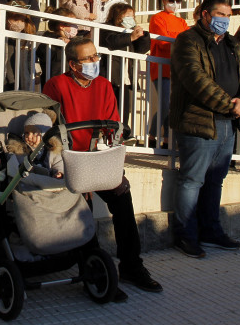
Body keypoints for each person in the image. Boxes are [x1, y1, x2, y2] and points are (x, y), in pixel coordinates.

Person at [43, 37, 163, 300]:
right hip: (71, 159)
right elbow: (48, 124)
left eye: (96, 56)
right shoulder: (57, 85)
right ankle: (96, 271)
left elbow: (113, 126)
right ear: (73, 64)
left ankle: (131, 265)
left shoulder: (105, 85)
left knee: (122, 196)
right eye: (89, 58)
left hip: (98, 158)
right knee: (81, 211)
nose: (95, 62)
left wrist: (113, 157)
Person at [169, 0, 240, 258]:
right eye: (220, 14)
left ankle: (210, 231)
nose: (224, 20)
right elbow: (196, 79)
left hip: (228, 123)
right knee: (192, 180)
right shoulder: (188, 40)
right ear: (205, 14)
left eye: (228, 15)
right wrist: (230, 104)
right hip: (199, 121)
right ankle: (185, 235)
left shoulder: (232, 44)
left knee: (215, 180)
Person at [148, 0, 188, 149]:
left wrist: (174, 37)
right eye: (172, 0)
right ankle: (152, 135)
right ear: (164, 0)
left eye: (178, 0)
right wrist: (177, 38)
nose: (175, 3)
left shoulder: (182, 21)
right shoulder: (157, 18)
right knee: (165, 104)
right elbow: (163, 41)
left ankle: (166, 139)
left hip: (177, 69)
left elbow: (185, 40)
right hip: (161, 67)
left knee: (173, 106)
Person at [101, 3, 150, 140]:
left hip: (126, 78)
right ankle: (107, 136)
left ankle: (122, 134)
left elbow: (141, 49)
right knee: (109, 110)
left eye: (132, 16)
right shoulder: (106, 29)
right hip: (111, 77)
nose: (131, 19)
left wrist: (143, 36)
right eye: (127, 16)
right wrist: (130, 37)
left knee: (124, 109)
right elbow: (112, 42)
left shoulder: (130, 32)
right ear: (117, 17)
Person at [36, 8, 76, 83]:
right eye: (72, 24)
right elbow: (41, 53)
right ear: (62, 26)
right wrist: (57, 40)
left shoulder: (73, 41)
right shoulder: (48, 39)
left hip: (68, 83)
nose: (76, 27)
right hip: (52, 83)